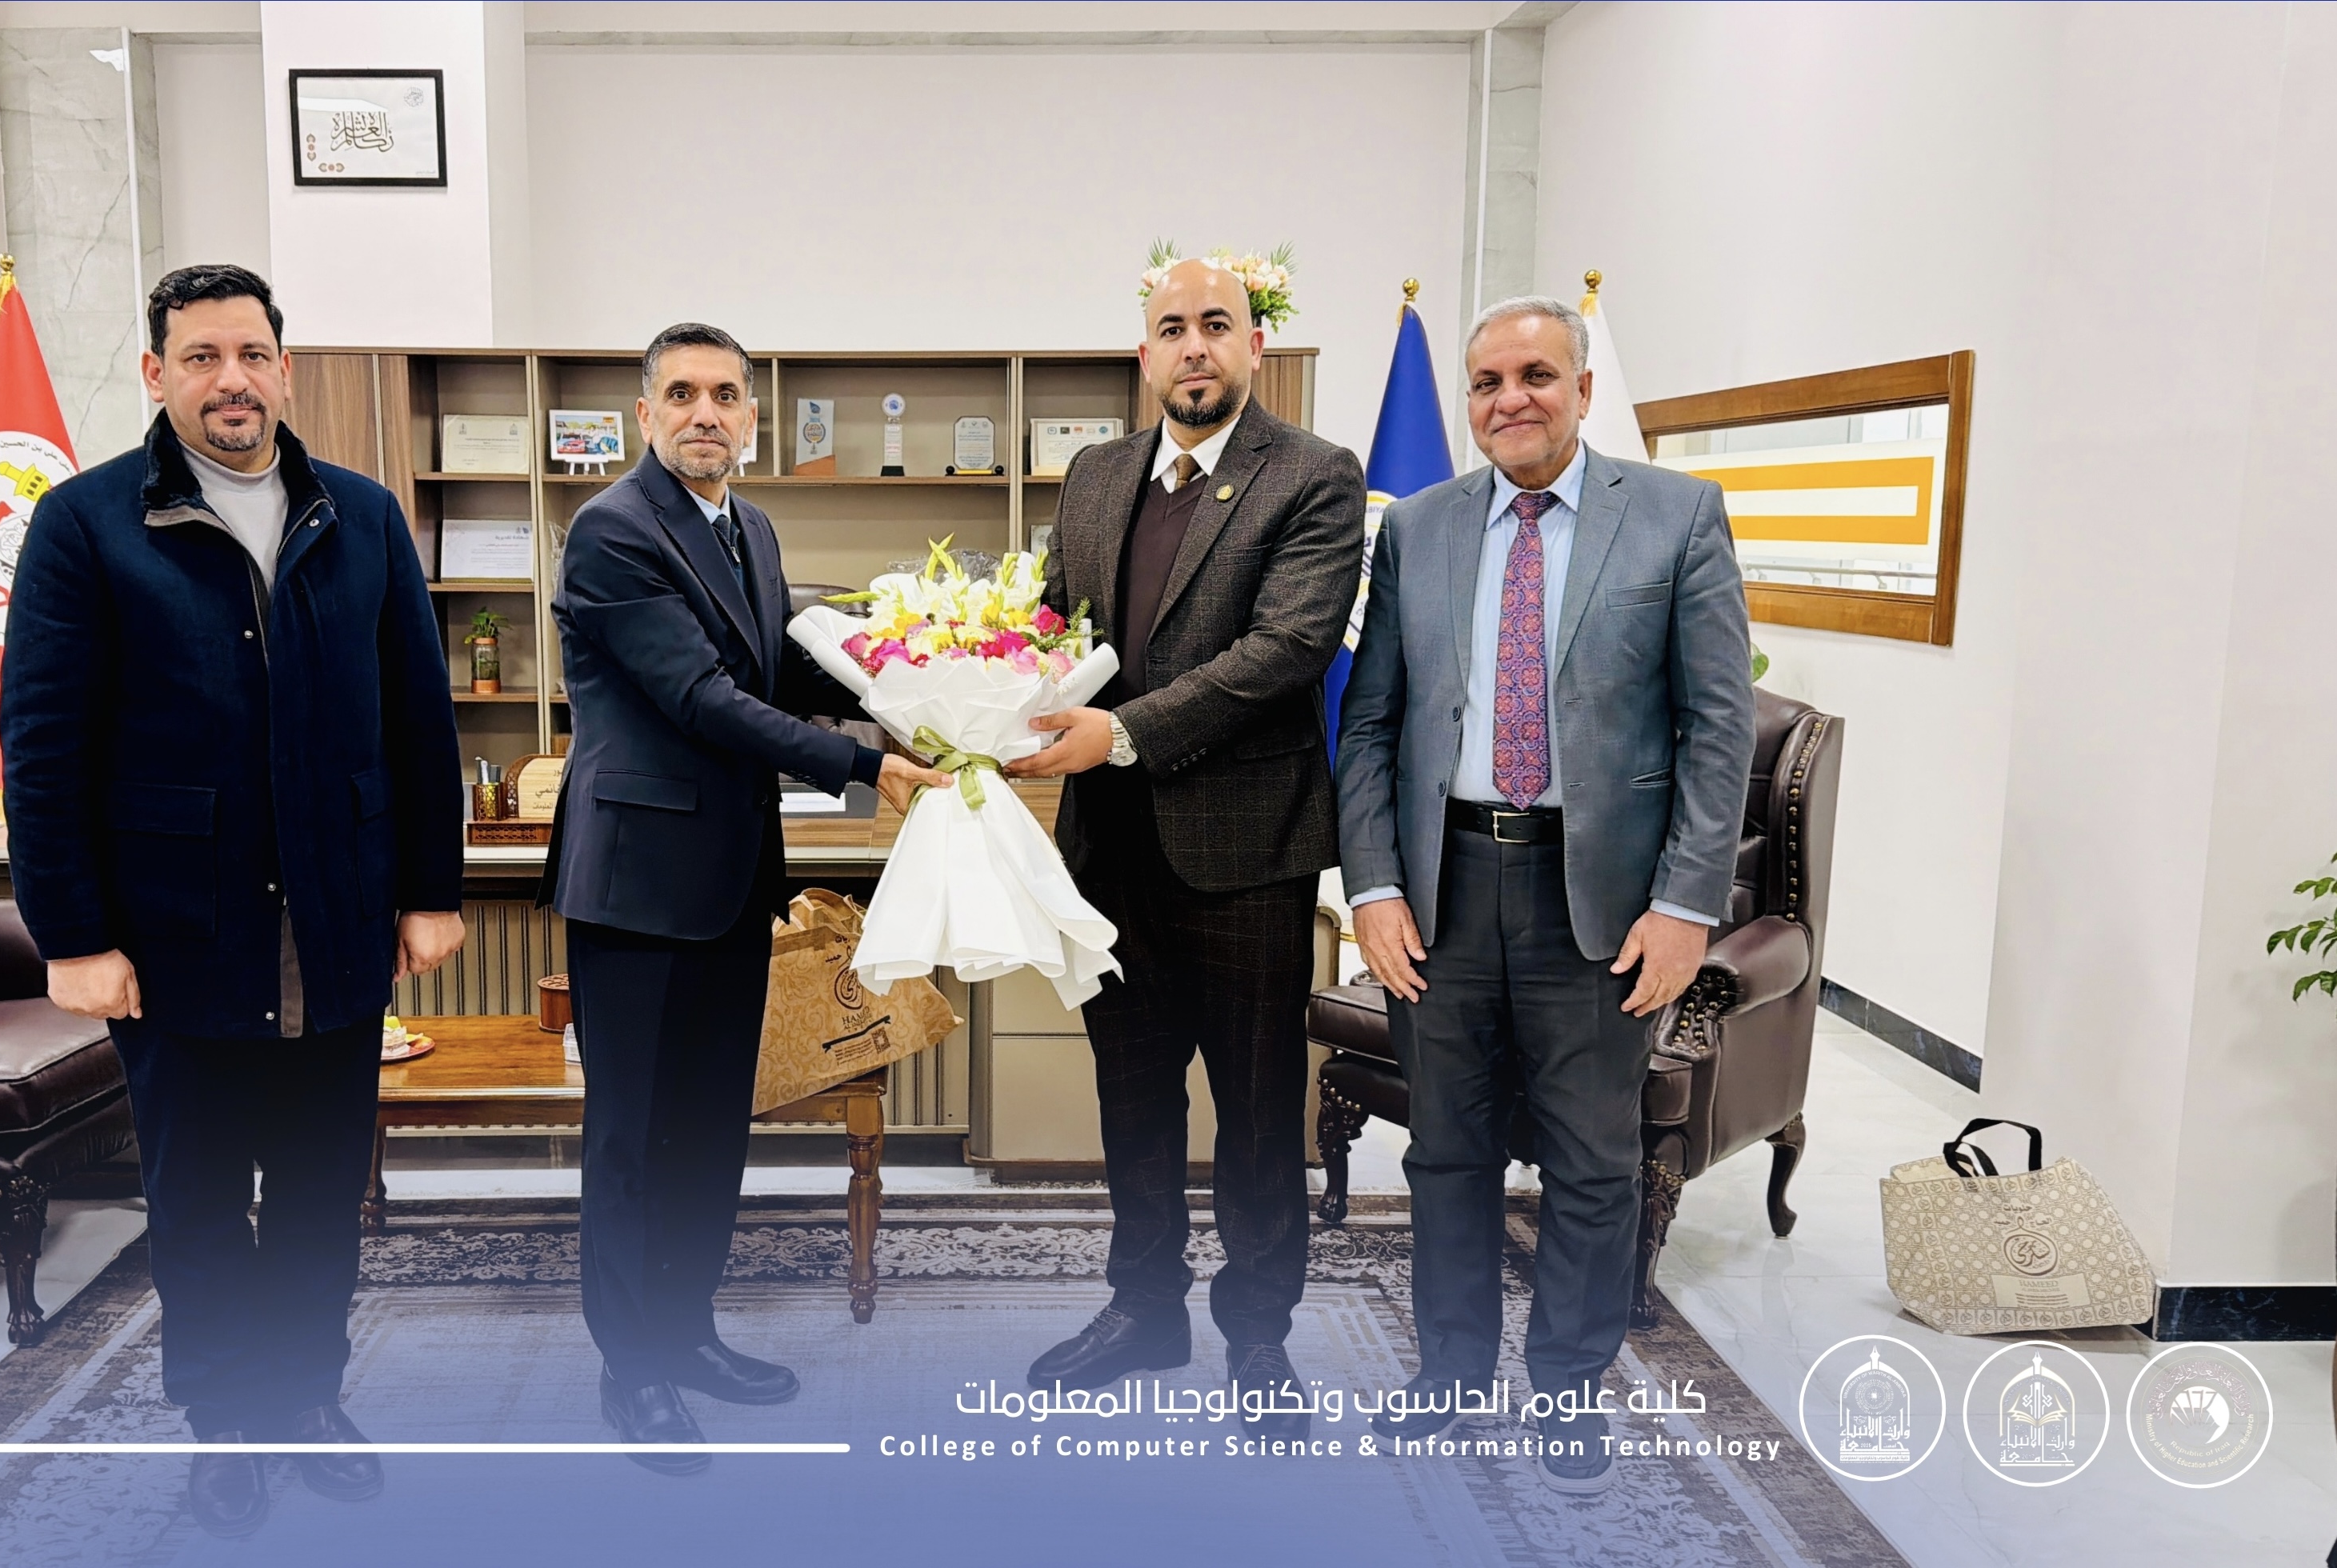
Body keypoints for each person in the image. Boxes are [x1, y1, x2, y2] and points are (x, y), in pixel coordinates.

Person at [0, 263, 465, 1536]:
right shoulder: (86, 523)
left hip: (337, 919)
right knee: (200, 1198)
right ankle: (224, 1418)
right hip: (174, 934)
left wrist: (430, 889)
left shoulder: (363, 515)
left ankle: (308, 1399)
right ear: (157, 374)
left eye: (252, 354)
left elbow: (419, 721)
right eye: (201, 357)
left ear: (284, 370)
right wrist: (73, 935)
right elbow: (40, 744)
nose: (231, 381)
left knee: (318, 1194)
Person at [1332, 294, 1753, 1493]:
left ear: (1581, 388)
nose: (1508, 399)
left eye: (1534, 375)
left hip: (1603, 900)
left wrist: (1684, 906)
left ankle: (1568, 1390)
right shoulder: (1416, 528)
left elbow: (1717, 728)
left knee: (1592, 1162)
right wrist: (1373, 885)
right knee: (1445, 1156)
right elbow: (1371, 725)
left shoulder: (1674, 516)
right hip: (1444, 889)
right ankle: (1450, 1378)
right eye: (1486, 382)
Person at [545, 321, 949, 1474]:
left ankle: (686, 1333)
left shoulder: (751, 527)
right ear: (645, 414)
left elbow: (780, 665)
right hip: (634, 889)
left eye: (725, 394)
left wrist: (926, 677)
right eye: (681, 393)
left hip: (727, 884)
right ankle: (631, 1373)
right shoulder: (613, 530)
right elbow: (703, 698)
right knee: (634, 1140)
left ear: (753, 417)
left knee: (710, 1130)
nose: (705, 413)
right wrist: (868, 761)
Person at [1002, 259, 1365, 1438]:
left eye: (1216, 325)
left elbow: (1286, 651)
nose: (1194, 346)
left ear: (1254, 345)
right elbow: (1054, 629)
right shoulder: (1095, 476)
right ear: (1144, 352)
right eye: (1172, 328)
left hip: (1246, 857)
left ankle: (1258, 1336)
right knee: (1134, 1098)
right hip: (1108, 858)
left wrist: (1118, 735)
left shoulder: (1313, 475)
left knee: (1256, 1112)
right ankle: (1144, 1308)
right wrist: (980, 694)